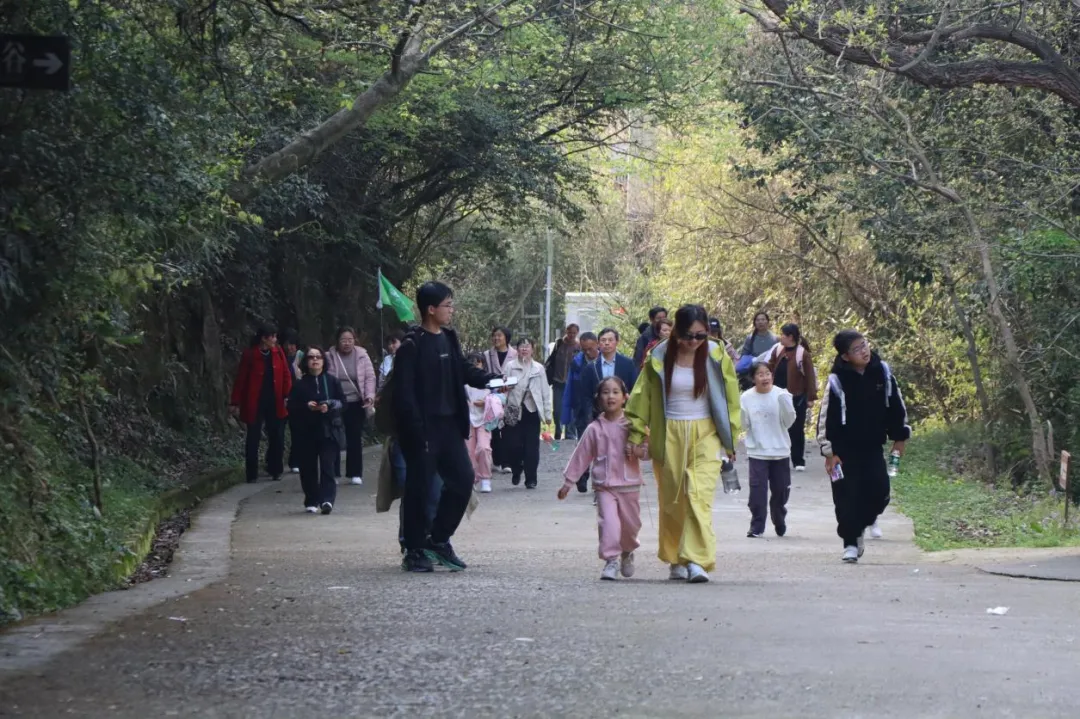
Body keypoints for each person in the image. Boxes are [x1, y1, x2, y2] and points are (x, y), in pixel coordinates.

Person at [626, 304, 740, 584]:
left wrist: (730, 438)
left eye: (701, 336)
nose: (694, 342)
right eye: (688, 335)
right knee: (673, 499)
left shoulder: (715, 354)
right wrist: (636, 434)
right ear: (675, 331)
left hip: (706, 433)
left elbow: (731, 398)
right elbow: (642, 396)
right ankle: (676, 557)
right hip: (669, 433)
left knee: (697, 495)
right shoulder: (659, 355)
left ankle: (696, 560)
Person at [393, 281, 496, 573]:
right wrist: (415, 431)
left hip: (450, 426)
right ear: (431, 309)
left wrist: (489, 379)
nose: (451, 310)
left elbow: (461, 368)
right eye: (447, 305)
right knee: (419, 489)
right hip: (423, 431)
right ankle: (413, 549)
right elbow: (404, 395)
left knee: (463, 480)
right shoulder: (412, 345)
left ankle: (438, 539)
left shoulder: (448, 338)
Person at [817, 330, 910, 564]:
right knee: (845, 498)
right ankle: (850, 542)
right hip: (844, 453)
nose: (864, 351)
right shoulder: (837, 380)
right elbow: (827, 418)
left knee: (881, 494)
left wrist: (899, 438)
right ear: (846, 356)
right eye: (857, 349)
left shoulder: (883, 373)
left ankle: (860, 526)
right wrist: (830, 453)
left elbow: (896, 407)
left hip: (872, 449)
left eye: (865, 345)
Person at [558, 377, 645, 580]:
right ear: (599, 399)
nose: (610, 396)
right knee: (609, 524)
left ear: (625, 398)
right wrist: (568, 482)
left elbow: (649, 451)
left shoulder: (634, 426)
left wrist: (638, 450)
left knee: (631, 527)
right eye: (606, 392)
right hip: (604, 486)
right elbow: (581, 456)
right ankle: (611, 560)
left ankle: (627, 551)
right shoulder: (594, 429)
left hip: (630, 486)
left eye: (615, 392)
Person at [229, 324, 293, 484]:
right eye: (272, 337)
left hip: (275, 400)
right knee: (253, 436)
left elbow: (286, 374)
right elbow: (241, 379)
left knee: (276, 435)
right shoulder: (250, 354)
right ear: (264, 338)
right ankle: (251, 473)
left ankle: (275, 469)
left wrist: (288, 394)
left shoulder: (278, 353)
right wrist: (235, 401)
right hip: (255, 401)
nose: (275, 340)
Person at [287, 345, 346, 515]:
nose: (315, 360)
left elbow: (343, 402)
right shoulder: (299, 385)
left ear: (323, 361)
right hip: (306, 431)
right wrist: (306, 406)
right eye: (311, 357)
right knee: (307, 467)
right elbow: (291, 405)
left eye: (318, 357)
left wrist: (330, 406)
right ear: (306, 362)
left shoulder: (332, 381)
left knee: (328, 465)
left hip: (328, 430)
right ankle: (311, 498)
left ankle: (327, 499)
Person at [741, 361, 797, 538]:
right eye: (760, 374)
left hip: (780, 450)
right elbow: (744, 424)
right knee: (757, 492)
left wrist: (786, 404)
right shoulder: (746, 397)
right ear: (753, 378)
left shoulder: (781, 394)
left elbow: (789, 422)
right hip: (757, 451)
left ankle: (779, 518)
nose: (764, 377)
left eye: (767, 373)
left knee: (781, 491)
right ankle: (757, 526)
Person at [326, 326, 376, 486]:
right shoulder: (329, 356)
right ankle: (333, 472)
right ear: (337, 341)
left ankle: (355, 472)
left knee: (354, 437)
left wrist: (369, 396)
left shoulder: (362, 355)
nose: (347, 343)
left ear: (355, 340)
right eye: (343, 340)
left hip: (356, 401)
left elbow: (370, 377)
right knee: (333, 438)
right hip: (336, 402)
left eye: (350, 340)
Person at [765, 323, 817, 472]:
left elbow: (810, 377)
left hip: (797, 397)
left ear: (790, 337)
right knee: (776, 427)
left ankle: (798, 460)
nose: (780, 337)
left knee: (796, 429)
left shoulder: (802, 354)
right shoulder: (778, 350)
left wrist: (810, 397)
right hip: (777, 396)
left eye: (782, 334)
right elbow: (769, 366)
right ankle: (777, 459)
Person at [503, 337, 554, 489]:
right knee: (513, 446)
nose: (524, 349)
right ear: (517, 349)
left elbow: (545, 392)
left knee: (532, 447)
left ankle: (531, 478)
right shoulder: (510, 366)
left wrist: (547, 414)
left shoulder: (539, 368)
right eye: (521, 346)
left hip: (532, 411)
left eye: (527, 346)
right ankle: (516, 469)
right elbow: (502, 387)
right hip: (514, 411)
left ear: (533, 349)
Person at [578, 328, 638, 431]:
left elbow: (634, 390)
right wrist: (589, 418)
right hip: (598, 417)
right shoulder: (591, 368)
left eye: (610, 340)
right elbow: (585, 396)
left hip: (623, 418)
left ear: (617, 342)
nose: (607, 343)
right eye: (603, 340)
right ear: (598, 343)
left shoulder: (628, 364)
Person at [483, 326, 517, 474]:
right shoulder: (486, 355)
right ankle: (496, 461)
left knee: (509, 429)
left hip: (510, 395)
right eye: (494, 335)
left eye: (499, 336)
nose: (496, 338)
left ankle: (507, 462)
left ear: (506, 338)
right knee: (494, 429)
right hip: (492, 397)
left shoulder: (515, 354)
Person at [465, 352, 495, 494]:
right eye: (472, 363)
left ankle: (485, 478)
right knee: (468, 451)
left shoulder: (489, 382)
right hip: (467, 420)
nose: (475, 366)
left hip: (485, 420)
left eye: (478, 363)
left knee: (483, 448)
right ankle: (471, 479)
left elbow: (501, 398)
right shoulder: (463, 383)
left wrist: (486, 402)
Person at [545, 324, 580, 441]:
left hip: (572, 383)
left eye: (574, 333)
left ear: (577, 333)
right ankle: (558, 431)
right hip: (558, 381)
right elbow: (552, 360)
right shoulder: (559, 343)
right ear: (566, 331)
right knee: (558, 410)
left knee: (570, 409)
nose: (571, 335)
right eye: (570, 332)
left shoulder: (578, 347)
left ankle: (570, 434)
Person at [280, 329, 303, 474]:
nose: (290, 348)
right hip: (281, 399)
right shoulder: (280, 356)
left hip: (297, 399)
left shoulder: (303, 357)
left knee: (297, 431)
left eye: (292, 344)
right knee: (278, 432)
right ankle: (275, 462)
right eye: (287, 344)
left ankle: (295, 461)